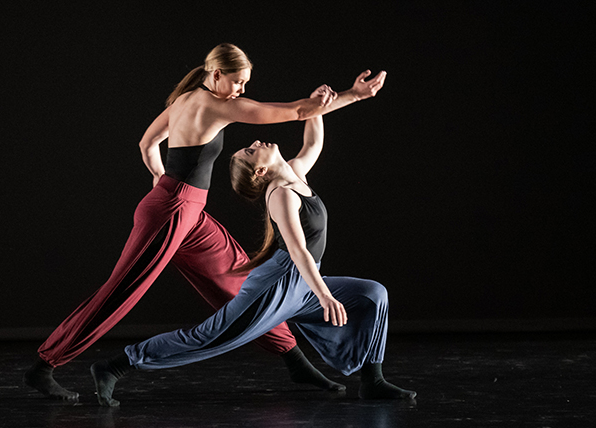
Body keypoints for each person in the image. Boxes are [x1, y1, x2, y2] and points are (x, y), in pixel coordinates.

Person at [24, 43, 388, 401]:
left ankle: (295, 362)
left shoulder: (183, 100)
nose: (241, 91)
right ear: (216, 75)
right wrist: (354, 95)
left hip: (186, 210)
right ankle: (45, 366)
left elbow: (147, 143)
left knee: (237, 278)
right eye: (238, 82)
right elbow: (294, 111)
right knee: (120, 292)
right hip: (172, 211)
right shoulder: (213, 105)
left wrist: (161, 179)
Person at [91, 87, 415, 407]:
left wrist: (350, 95)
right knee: (207, 337)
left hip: (303, 284)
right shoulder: (281, 194)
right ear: (261, 171)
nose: (255, 142)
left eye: (248, 147)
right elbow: (298, 250)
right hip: (276, 286)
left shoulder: (296, 173)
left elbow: (313, 141)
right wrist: (324, 295)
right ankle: (114, 366)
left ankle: (373, 381)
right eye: (250, 150)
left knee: (373, 294)